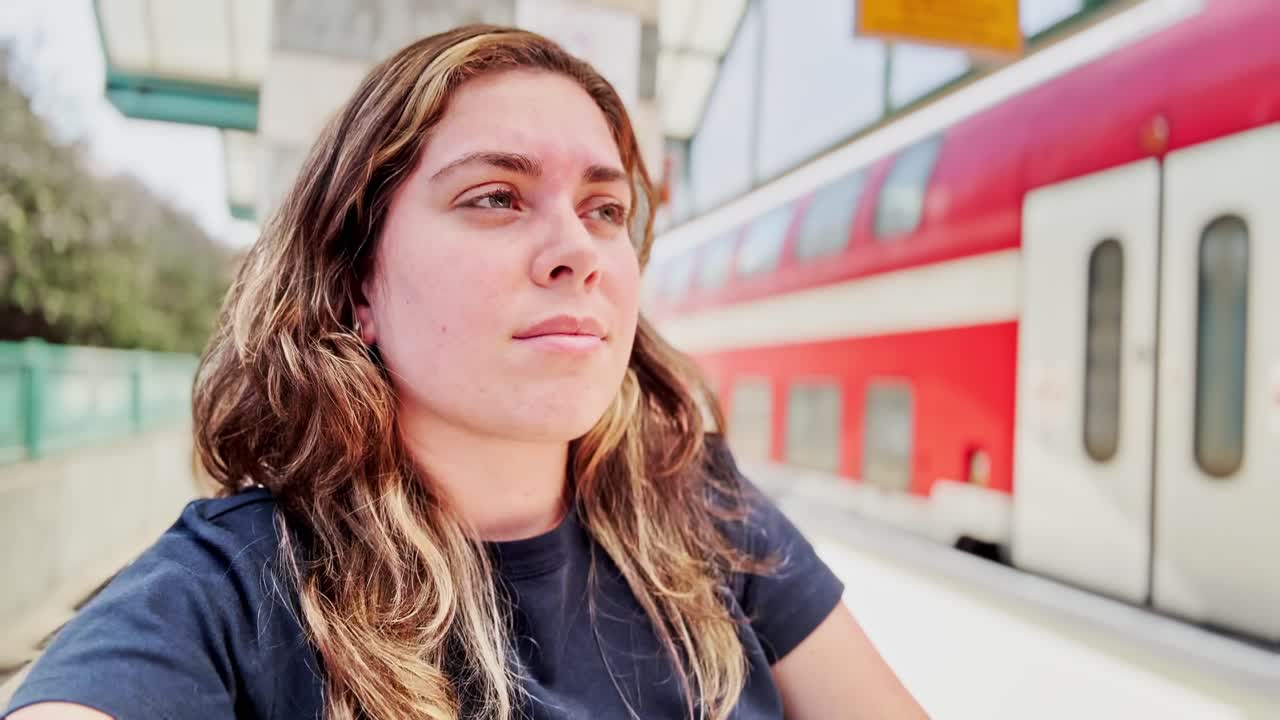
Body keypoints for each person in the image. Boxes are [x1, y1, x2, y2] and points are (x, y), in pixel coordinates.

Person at [4, 25, 926, 720]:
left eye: (606, 208)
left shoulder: (700, 505)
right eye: (496, 197)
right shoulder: (233, 588)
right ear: (356, 281)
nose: (579, 249)